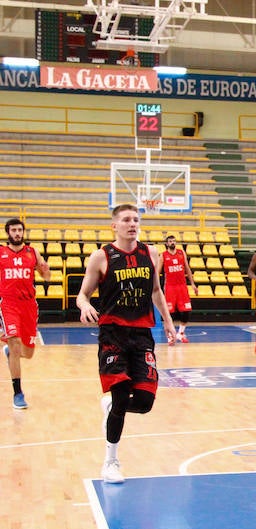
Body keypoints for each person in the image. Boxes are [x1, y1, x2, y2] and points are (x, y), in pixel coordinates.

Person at [75, 204, 176, 484]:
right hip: (113, 336)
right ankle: (111, 462)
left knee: (144, 403)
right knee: (120, 397)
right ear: (114, 226)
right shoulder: (101, 256)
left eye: (136, 219)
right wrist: (85, 306)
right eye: (126, 220)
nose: (132, 224)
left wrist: (168, 321)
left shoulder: (151, 253)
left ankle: (111, 408)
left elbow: (156, 290)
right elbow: (82, 295)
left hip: (142, 336)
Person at [0, 218, 51, 409]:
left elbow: (47, 277)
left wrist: (45, 271)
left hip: (28, 306)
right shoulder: (1, 253)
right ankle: (18, 393)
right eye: (13, 230)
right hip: (8, 304)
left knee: (28, 353)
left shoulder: (33, 252)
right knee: (14, 342)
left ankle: (10, 352)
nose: (17, 233)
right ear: (8, 233)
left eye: (19, 230)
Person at [157, 235, 198, 344]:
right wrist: (156, 287)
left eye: (174, 241)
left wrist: (192, 284)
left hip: (182, 287)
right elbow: (157, 272)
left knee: (186, 312)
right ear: (167, 244)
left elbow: (187, 268)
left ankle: (181, 333)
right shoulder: (163, 255)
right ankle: (170, 336)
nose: (172, 242)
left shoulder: (181, 253)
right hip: (170, 287)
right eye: (170, 241)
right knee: (170, 313)